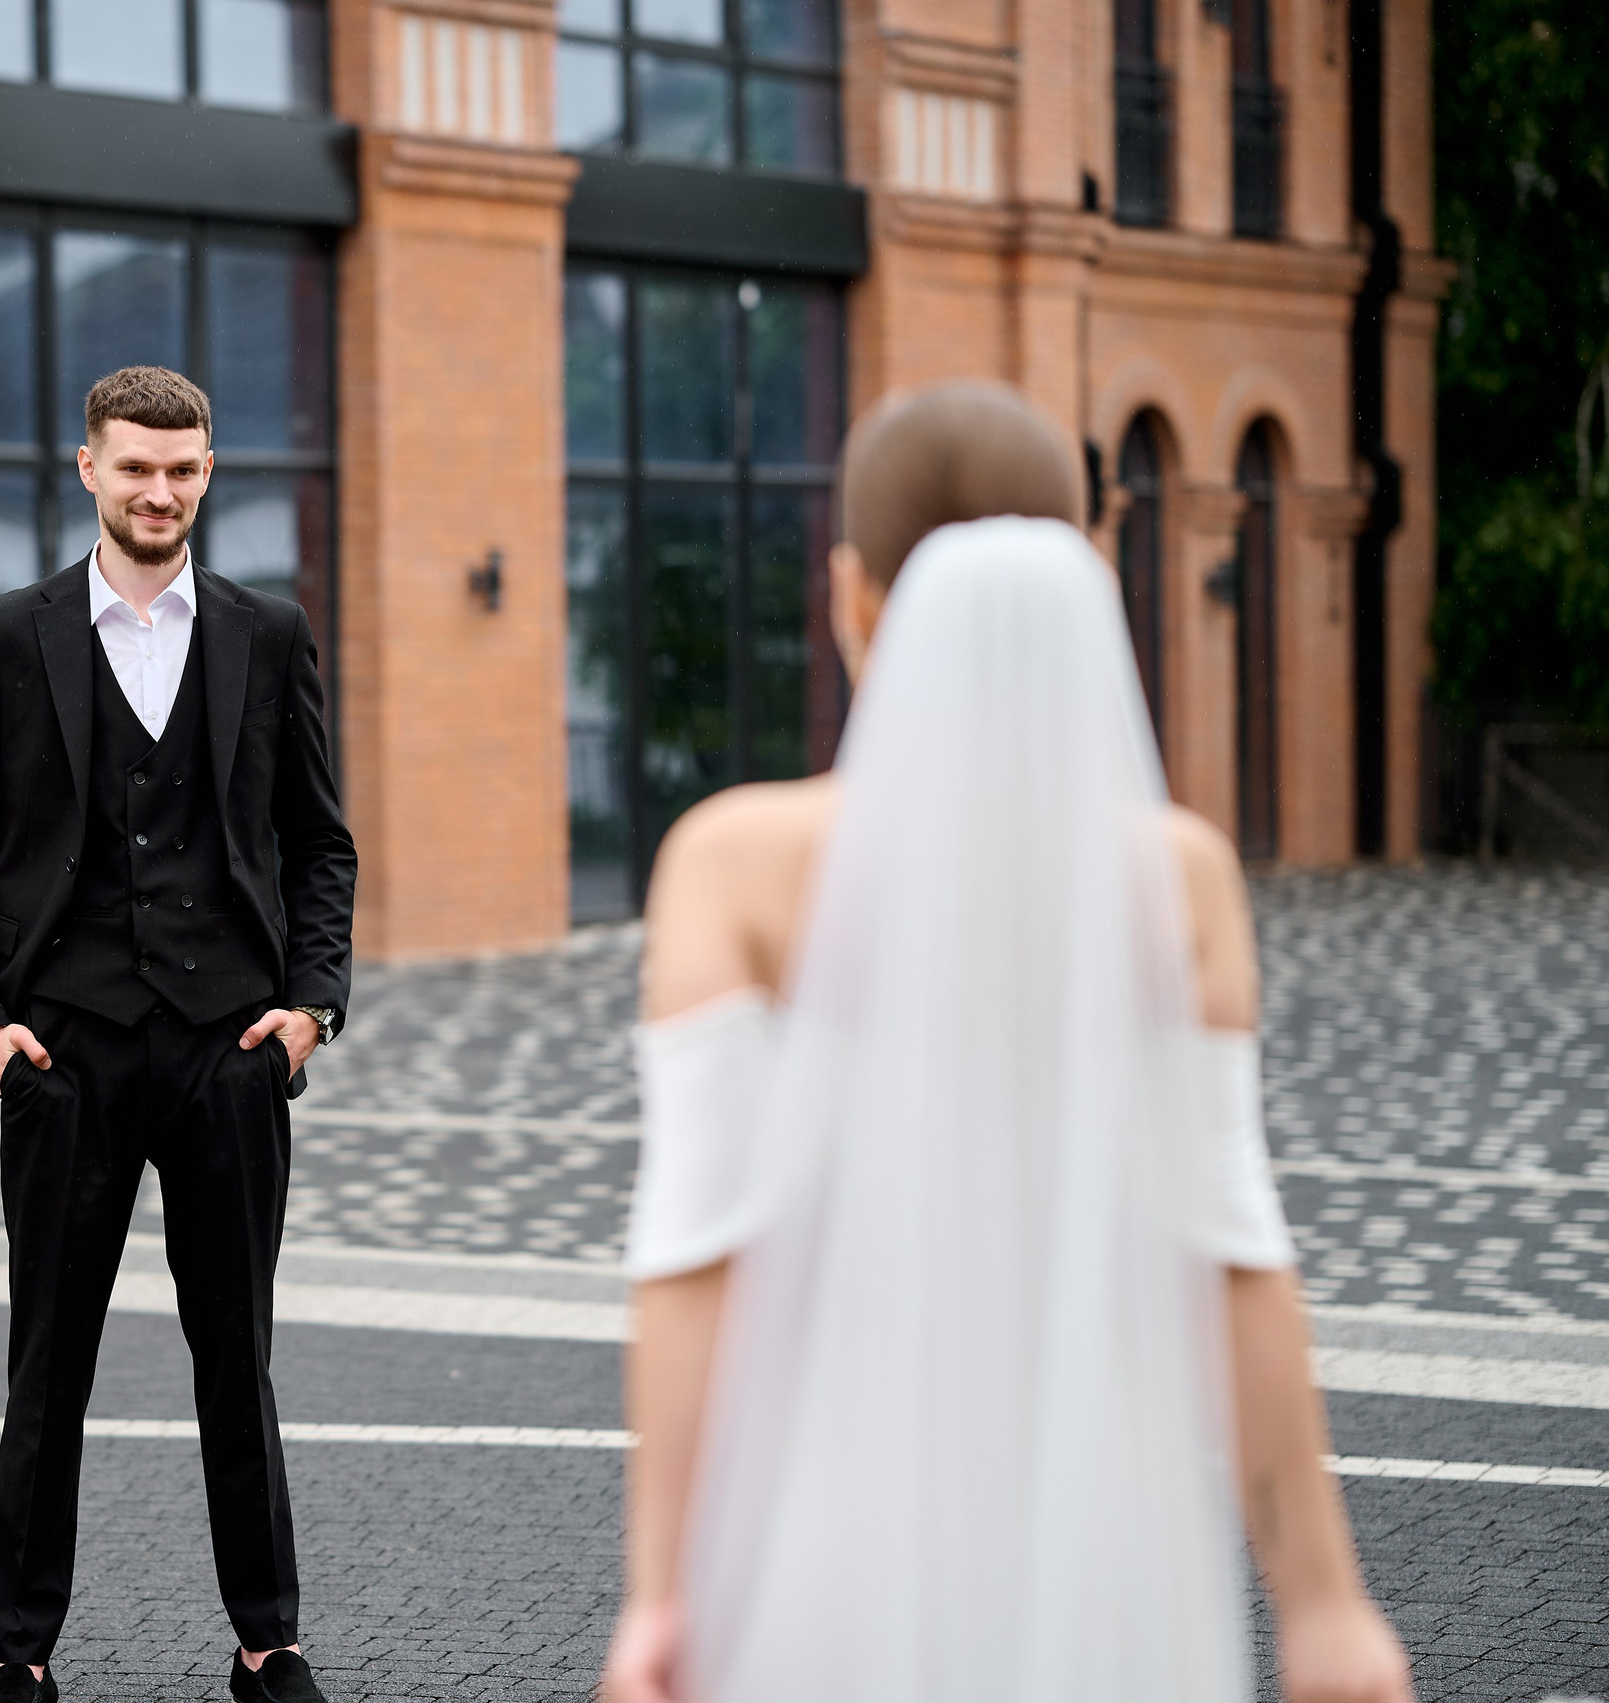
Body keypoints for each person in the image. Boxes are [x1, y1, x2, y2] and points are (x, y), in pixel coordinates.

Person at [600, 383, 1415, 1703]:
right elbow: (1233, 1259)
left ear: (851, 593)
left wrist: (659, 1595)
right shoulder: (1178, 878)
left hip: (826, 1529)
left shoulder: (732, 865)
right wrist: (1322, 1604)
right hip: (1101, 1533)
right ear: (1079, 579)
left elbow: (696, 1259)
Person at [0, 366, 356, 1703]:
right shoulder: (6, 634)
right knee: (48, 1369)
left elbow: (320, 843)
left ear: (207, 474)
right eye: (134, 468)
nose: (158, 491)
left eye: (181, 469)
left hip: (229, 1053)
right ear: (90, 470)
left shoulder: (269, 634)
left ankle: (267, 1643)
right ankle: (23, 1656)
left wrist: (311, 1008)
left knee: (238, 1366)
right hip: (64, 1058)